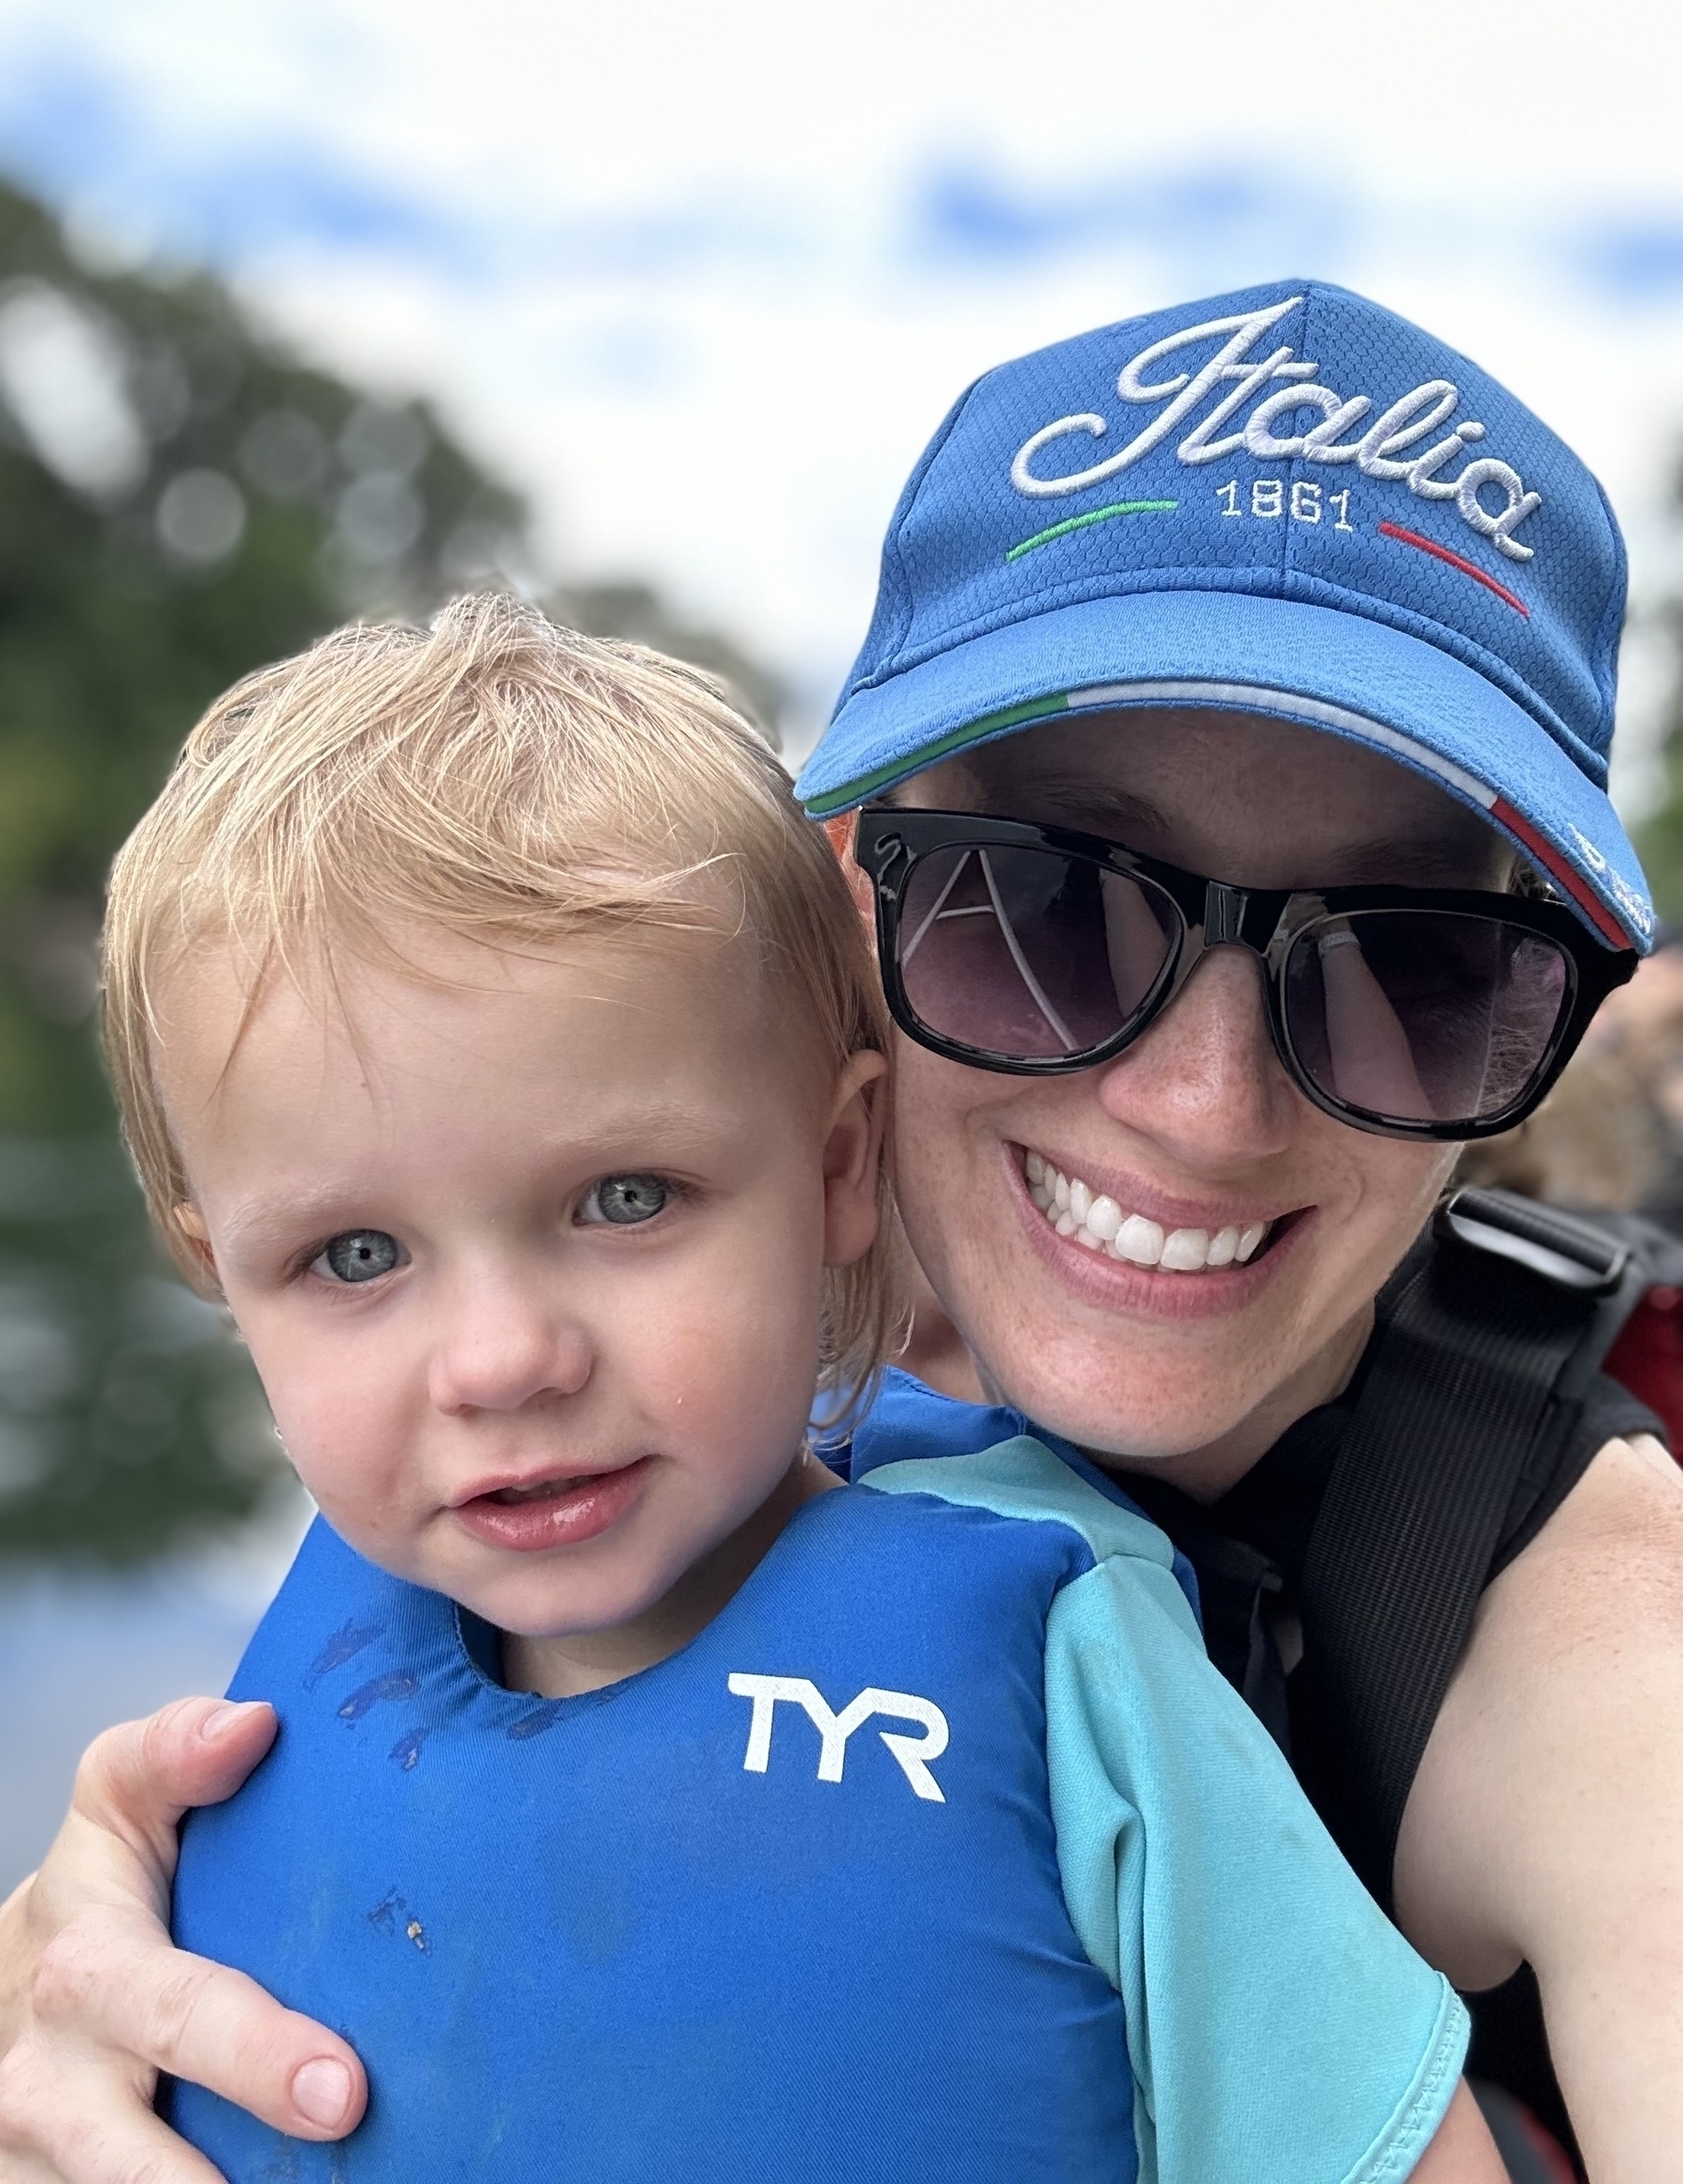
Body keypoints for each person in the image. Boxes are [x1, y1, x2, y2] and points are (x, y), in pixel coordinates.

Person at [3, 279, 1679, 2180]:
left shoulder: (1612, 1665)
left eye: (1416, 966)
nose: (1204, 1106)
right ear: (851, 920)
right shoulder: (598, 1417)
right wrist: (66, 1961)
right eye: (1047, 903)